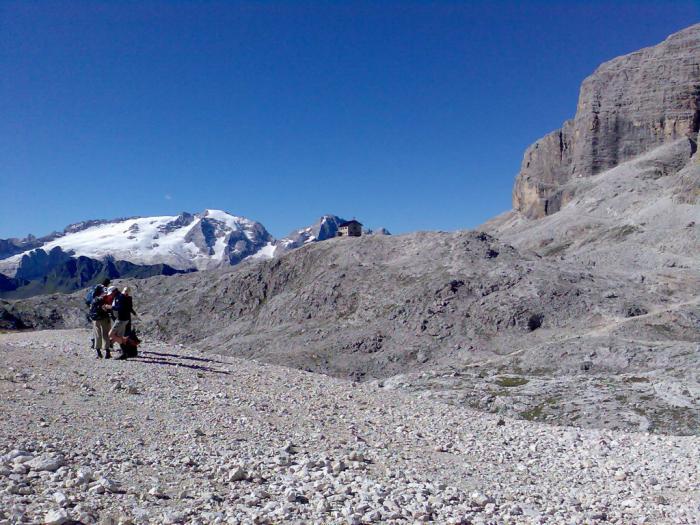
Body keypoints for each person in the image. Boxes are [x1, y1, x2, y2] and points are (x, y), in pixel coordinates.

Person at [109, 286, 138, 360]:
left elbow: (120, 308)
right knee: (122, 335)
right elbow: (129, 308)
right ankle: (127, 352)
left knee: (113, 334)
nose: (110, 295)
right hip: (126, 319)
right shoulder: (126, 297)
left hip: (121, 319)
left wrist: (110, 307)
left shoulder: (120, 297)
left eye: (111, 293)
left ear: (114, 292)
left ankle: (125, 352)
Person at [89, 285, 112, 359]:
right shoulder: (103, 299)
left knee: (97, 335)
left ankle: (99, 353)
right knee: (105, 335)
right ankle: (107, 352)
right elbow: (106, 309)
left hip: (95, 320)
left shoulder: (93, 300)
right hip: (104, 319)